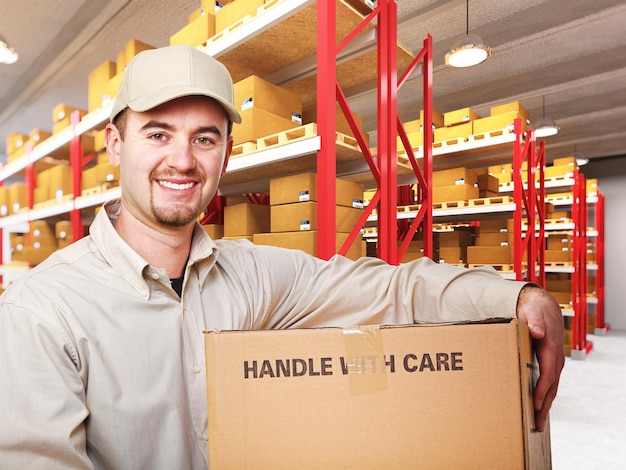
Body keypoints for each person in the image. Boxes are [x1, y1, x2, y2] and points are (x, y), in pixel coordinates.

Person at [0, 45, 564, 468]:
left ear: (224, 153)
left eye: (205, 138)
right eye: (157, 134)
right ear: (116, 146)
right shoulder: (43, 310)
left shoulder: (251, 275)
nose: (182, 160)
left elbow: (386, 289)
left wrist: (519, 295)